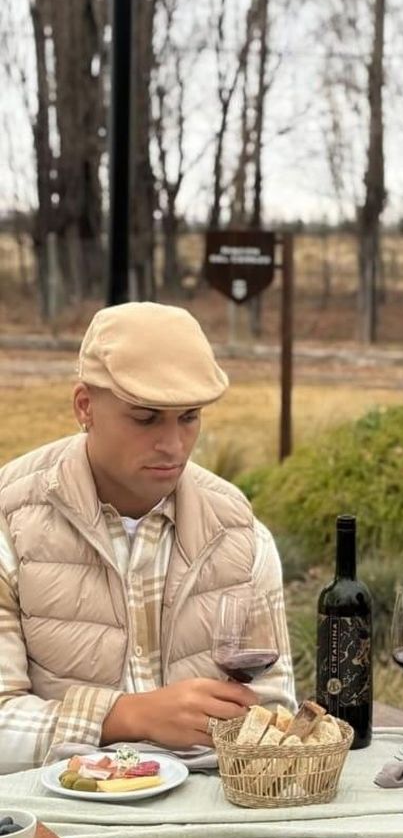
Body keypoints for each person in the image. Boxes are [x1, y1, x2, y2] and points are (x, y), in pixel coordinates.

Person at [0, 302, 295, 774]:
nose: (173, 445)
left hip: (209, 812)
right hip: (57, 815)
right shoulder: (9, 521)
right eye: (146, 418)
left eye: (189, 417)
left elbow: (276, 714)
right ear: (84, 407)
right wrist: (126, 716)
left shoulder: (239, 531)